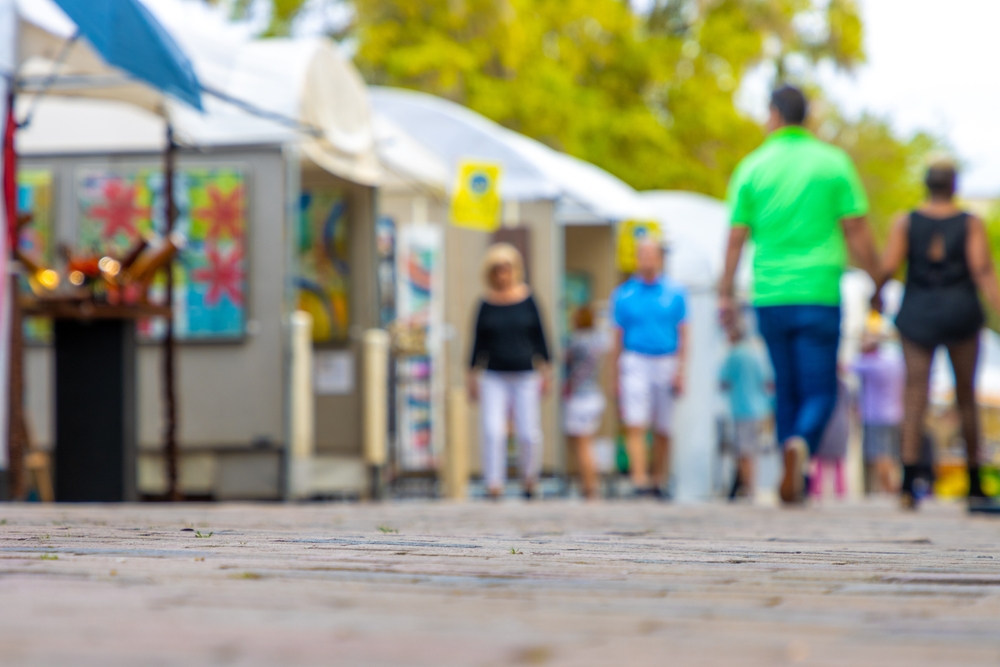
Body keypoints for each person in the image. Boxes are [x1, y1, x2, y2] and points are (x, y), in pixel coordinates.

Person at [719, 84, 882, 505]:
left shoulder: (752, 167)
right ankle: (801, 446)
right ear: (807, 116)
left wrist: (724, 294)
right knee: (822, 388)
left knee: (786, 387)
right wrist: (878, 277)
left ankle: (795, 471)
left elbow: (736, 238)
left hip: (770, 293)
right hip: (819, 291)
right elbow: (857, 230)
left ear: (773, 114)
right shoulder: (833, 164)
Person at [874, 160, 1000, 511]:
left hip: (917, 316)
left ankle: (907, 483)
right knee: (966, 397)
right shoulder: (969, 223)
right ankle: (975, 483)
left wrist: (876, 292)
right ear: (954, 186)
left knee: (915, 395)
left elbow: (888, 265)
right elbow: (982, 269)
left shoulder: (905, 221)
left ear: (926, 185)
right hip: (961, 313)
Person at [467, 243, 552, 500]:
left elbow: (541, 336)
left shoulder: (528, 299)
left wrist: (546, 369)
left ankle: (530, 479)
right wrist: (471, 374)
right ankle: (494, 483)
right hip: (494, 373)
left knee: (528, 432)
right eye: (497, 269)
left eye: (507, 268)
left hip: (525, 372)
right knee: (493, 431)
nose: (503, 275)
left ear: (515, 269)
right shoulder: (485, 302)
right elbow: (476, 342)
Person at [611, 238, 687, 498]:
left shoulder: (675, 293)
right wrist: (615, 376)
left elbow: (684, 333)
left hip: (666, 359)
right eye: (642, 254)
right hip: (635, 359)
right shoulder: (624, 294)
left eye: (651, 254)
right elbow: (616, 337)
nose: (647, 259)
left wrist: (681, 370)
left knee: (664, 425)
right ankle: (639, 479)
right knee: (635, 421)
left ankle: (659, 478)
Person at [718, 323, 772, 501]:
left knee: (743, 451)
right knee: (752, 451)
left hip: (741, 409)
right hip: (758, 408)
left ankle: (749, 490)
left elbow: (723, 381)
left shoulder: (733, 355)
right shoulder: (754, 354)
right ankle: (751, 488)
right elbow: (766, 382)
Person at [564, 305, 611, 500]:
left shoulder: (576, 341)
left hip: (580, 396)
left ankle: (590, 488)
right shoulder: (599, 341)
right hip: (595, 394)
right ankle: (591, 484)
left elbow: (566, 360)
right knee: (588, 443)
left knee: (583, 445)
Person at [850, 332, 905, 494]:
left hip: (875, 416)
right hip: (896, 414)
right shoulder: (894, 363)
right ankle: (894, 485)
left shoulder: (869, 364)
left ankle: (890, 488)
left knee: (879, 454)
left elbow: (845, 366)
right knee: (892, 453)